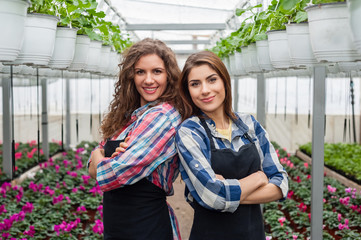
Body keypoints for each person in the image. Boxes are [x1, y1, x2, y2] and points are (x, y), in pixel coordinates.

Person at [175, 51, 288, 240]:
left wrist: (223, 192)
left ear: (224, 81)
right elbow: (213, 196)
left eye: (212, 80)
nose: (204, 90)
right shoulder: (190, 131)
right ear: (188, 91)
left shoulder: (249, 124)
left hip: (254, 234)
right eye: (195, 84)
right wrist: (258, 178)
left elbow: (281, 184)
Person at [88, 38, 182, 240]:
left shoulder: (162, 116)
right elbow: (92, 166)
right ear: (131, 76)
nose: (148, 80)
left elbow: (109, 175)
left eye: (157, 71)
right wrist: (100, 155)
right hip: (119, 227)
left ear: (169, 75)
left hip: (145, 227)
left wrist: (100, 156)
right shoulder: (131, 116)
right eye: (141, 72)